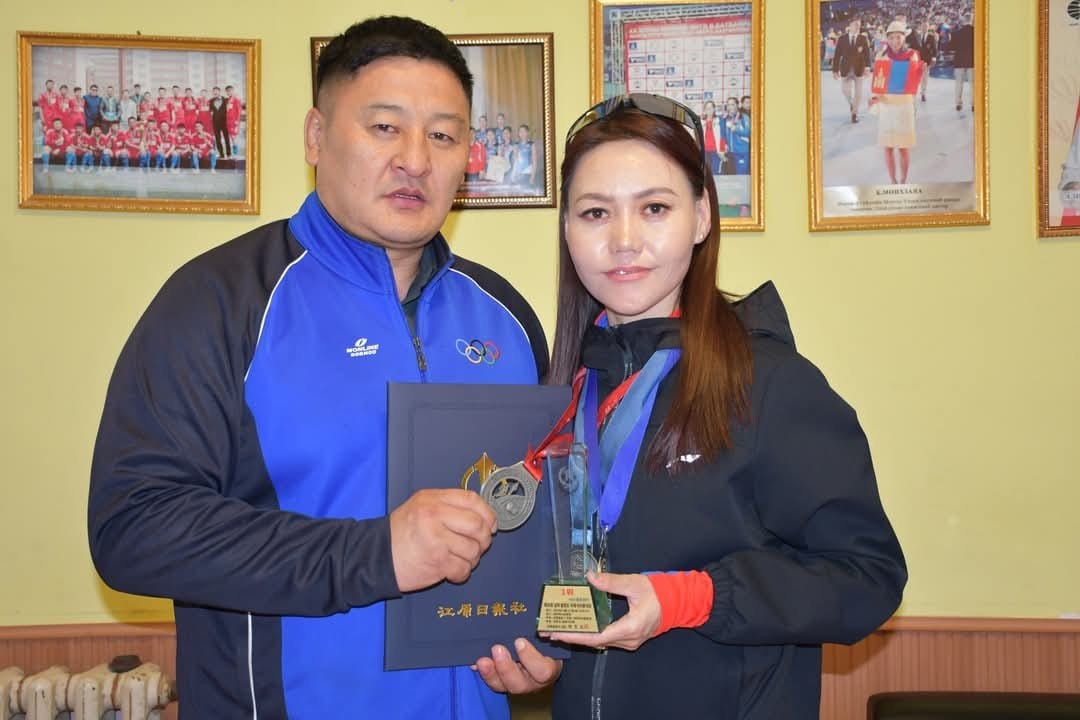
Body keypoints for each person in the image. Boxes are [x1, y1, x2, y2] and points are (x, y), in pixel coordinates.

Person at [89, 14, 549, 720]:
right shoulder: (220, 302)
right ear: (315, 136)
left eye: (443, 135)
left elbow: (539, 522)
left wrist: (544, 643)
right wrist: (376, 554)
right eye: (385, 127)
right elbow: (134, 528)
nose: (415, 160)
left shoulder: (507, 319)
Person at [476, 93, 906, 717]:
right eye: (595, 213)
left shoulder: (769, 384)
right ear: (567, 229)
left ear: (701, 217)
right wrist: (545, 656)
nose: (624, 240)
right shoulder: (563, 391)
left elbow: (869, 578)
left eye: (654, 208)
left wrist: (694, 598)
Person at [870, 21, 924, 184]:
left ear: (904, 38)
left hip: (904, 105)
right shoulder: (881, 56)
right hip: (886, 105)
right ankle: (893, 181)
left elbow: (915, 83)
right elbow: (878, 80)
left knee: (903, 147)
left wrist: (920, 72)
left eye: (898, 37)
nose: (895, 41)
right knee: (887, 147)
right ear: (887, 38)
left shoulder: (912, 55)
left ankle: (903, 181)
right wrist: (875, 98)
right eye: (891, 37)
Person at [832, 17, 872, 123]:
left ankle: (854, 113)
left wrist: (868, 67)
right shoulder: (842, 39)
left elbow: (867, 54)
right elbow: (837, 55)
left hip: (859, 69)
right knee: (845, 90)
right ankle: (852, 103)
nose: (858, 27)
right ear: (849, 26)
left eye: (859, 25)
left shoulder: (863, 39)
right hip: (845, 69)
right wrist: (835, 70)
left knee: (858, 93)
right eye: (855, 24)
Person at [908, 20, 938, 102]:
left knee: (925, 77)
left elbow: (934, 48)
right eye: (923, 26)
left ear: (928, 27)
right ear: (921, 27)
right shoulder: (916, 36)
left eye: (926, 26)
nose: (924, 28)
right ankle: (913, 92)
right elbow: (912, 47)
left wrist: (934, 58)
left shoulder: (931, 37)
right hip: (917, 60)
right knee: (915, 77)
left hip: (926, 60)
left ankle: (923, 93)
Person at [951, 12, 975, 113]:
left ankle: (958, 103)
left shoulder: (956, 33)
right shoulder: (976, 32)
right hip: (972, 61)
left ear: (964, 20)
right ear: (971, 19)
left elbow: (952, 47)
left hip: (959, 61)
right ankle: (973, 104)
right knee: (973, 84)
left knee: (958, 84)